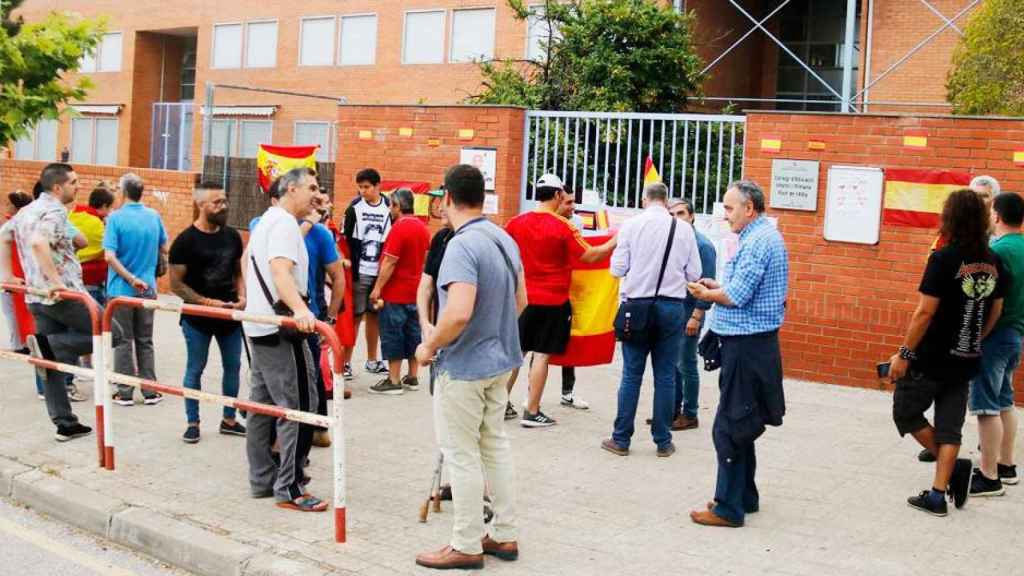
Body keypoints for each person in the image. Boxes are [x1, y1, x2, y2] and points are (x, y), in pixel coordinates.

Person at [414, 164, 525, 570]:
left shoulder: (460, 246)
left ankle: (466, 542)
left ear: (446, 199)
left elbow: (458, 313)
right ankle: (504, 534)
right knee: (494, 446)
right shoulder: (502, 237)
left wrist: (429, 345)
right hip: (501, 361)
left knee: (460, 454)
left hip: (464, 367)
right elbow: (521, 301)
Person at [885, 188, 1005, 517]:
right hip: (966, 357)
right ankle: (938, 494)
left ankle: (950, 471)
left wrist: (904, 354)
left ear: (950, 218)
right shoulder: (993, 261)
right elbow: (996, 307)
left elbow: (924, 312)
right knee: (951, 426)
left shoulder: (944, 258)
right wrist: (977, 336)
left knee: (906, 412)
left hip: (931, 356)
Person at [687, 180, 788, 528]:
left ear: (750, 208)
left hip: (748, 347)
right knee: (740, 422)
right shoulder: (756, 237)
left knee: (728, 427)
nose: (725, 215)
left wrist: (707, 293)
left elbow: (739, 296)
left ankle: (729, 508)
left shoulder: (759, 241)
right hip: (749, 345)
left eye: (730, 208)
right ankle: (745, 494)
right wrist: (718, 288)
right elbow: (740, 289)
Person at [0, 163, 122, 441]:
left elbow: (3, 236)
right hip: (64, 296)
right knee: (113, 333)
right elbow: (38, 243)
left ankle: (64, 423)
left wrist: (8, 275)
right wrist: (55, 280)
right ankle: (48, 347)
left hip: (35, 296)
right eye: (74, 182)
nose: (79, 186)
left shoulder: (28, 211)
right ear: (58, 187)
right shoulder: (54, 210)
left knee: (51, 363)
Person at [244, 167, 326, 512]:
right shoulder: (283, 225)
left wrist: (314, 214)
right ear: (291, 189)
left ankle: (262, 479)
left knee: (262, 407)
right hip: (282, 328)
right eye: (311, 187)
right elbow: (280, 270)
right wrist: (300, 311)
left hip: (260, 325)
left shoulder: (270, 221)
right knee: (299, 408)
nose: (317, 194)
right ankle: (290, 487)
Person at [600, 182, 702, 459]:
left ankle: (621, 439)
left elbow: (617, 268)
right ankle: (663, 441)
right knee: (666, 376)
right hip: (672, 308)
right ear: (666, 201)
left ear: (644, 199)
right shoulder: (683, 229)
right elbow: (695, 273)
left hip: (637, 307)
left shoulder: (631, 226)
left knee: (631, 375)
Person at [505, 174, 615, 427]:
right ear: (556, 195)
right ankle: (531, 411)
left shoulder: (515, 223)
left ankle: (499, 405)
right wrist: (615, 241)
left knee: (516, 353)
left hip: (522, 299)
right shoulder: (563, 226)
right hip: (553, 300)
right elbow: (589, 255)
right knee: (542, 355)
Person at [168, 181, 247, 444]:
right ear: (201, 205)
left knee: (233, 367)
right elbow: (176, 284)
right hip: (197, 319)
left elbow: (237, 271)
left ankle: (229, 419)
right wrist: (204, 302)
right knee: (195, 368)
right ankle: (192, 422)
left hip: (229, 316)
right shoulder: (185, 242)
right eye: (217, 202)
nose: (223, 206)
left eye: (224, 200)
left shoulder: (232, 236)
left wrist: (242, 296)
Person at [968, 191, 1024, 496]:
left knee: (987, 407)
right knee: (1005, 401)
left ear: (998, 216)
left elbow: (985, 299)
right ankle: (1006, 465)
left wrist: (976, 336)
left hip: (993, 335)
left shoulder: (996, 251)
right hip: (1016, 335)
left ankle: (989, 477)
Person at [105, 173, 168, 407]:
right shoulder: (154, 216)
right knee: (145, 340)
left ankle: (124, 391)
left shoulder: (115, 218)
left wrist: (130, 279)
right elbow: (164, 246)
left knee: (123, 341)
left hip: (121, 290)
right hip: (148, 288)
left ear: (123, 192)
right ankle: (150, 391)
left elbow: (109, 256)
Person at [369, 188, 430, 395]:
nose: (389, 209)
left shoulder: (399, 228)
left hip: (395, 291)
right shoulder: (423, 228)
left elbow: (389, 262)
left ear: (397, 206)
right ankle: (413, 376)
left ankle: (393, 379)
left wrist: (377, 288)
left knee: (392, 333)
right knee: (413, 333)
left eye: (391, 205)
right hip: (416, 290)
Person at [300, 189, 344, 447]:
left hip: (312, 316)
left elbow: (338, 277)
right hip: (275, 318)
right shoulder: (266, 224)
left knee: (312, 373)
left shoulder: (322, 235)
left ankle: (317, 427)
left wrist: (330, 318)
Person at [669, 199, 716, 429]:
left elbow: (706, 286)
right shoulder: (674, 241)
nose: (677, 218)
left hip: (690, 311)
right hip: (674, 311)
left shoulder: (703, 245)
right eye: (672, 214)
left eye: (681, 213)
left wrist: (697, 316)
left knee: (686, 363)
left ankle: (690, 413)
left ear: (692, 216)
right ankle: (672, 410)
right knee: (673, 363)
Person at [343, 168, 391, 376]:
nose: (363, 191)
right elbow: (345, 241)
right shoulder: (354, 208)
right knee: (355, 316)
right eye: (360, 187)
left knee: (374, 316)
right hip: (360, 270)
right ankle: (345, 362)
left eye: (367, 187)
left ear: (378, 186)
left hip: (379, 271)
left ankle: (372, 360)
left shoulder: (389, 207)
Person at [553, 190, 588, 410]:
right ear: (557, 201)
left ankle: (568, 392)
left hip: (571, 291)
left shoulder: (576, 223)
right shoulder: (545, 222)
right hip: (548, 294)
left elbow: (583, 252)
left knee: (570, 343)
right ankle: (530, 395)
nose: (573, 206)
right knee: (537, 348)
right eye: (569, 202)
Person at [70, 184, 115, 306]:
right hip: (91, 279)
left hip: (73, 275)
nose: (111, 212)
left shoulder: (73, 215)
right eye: (110, 208)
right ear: (104, 206)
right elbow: (108, 249)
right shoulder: (97, 224)